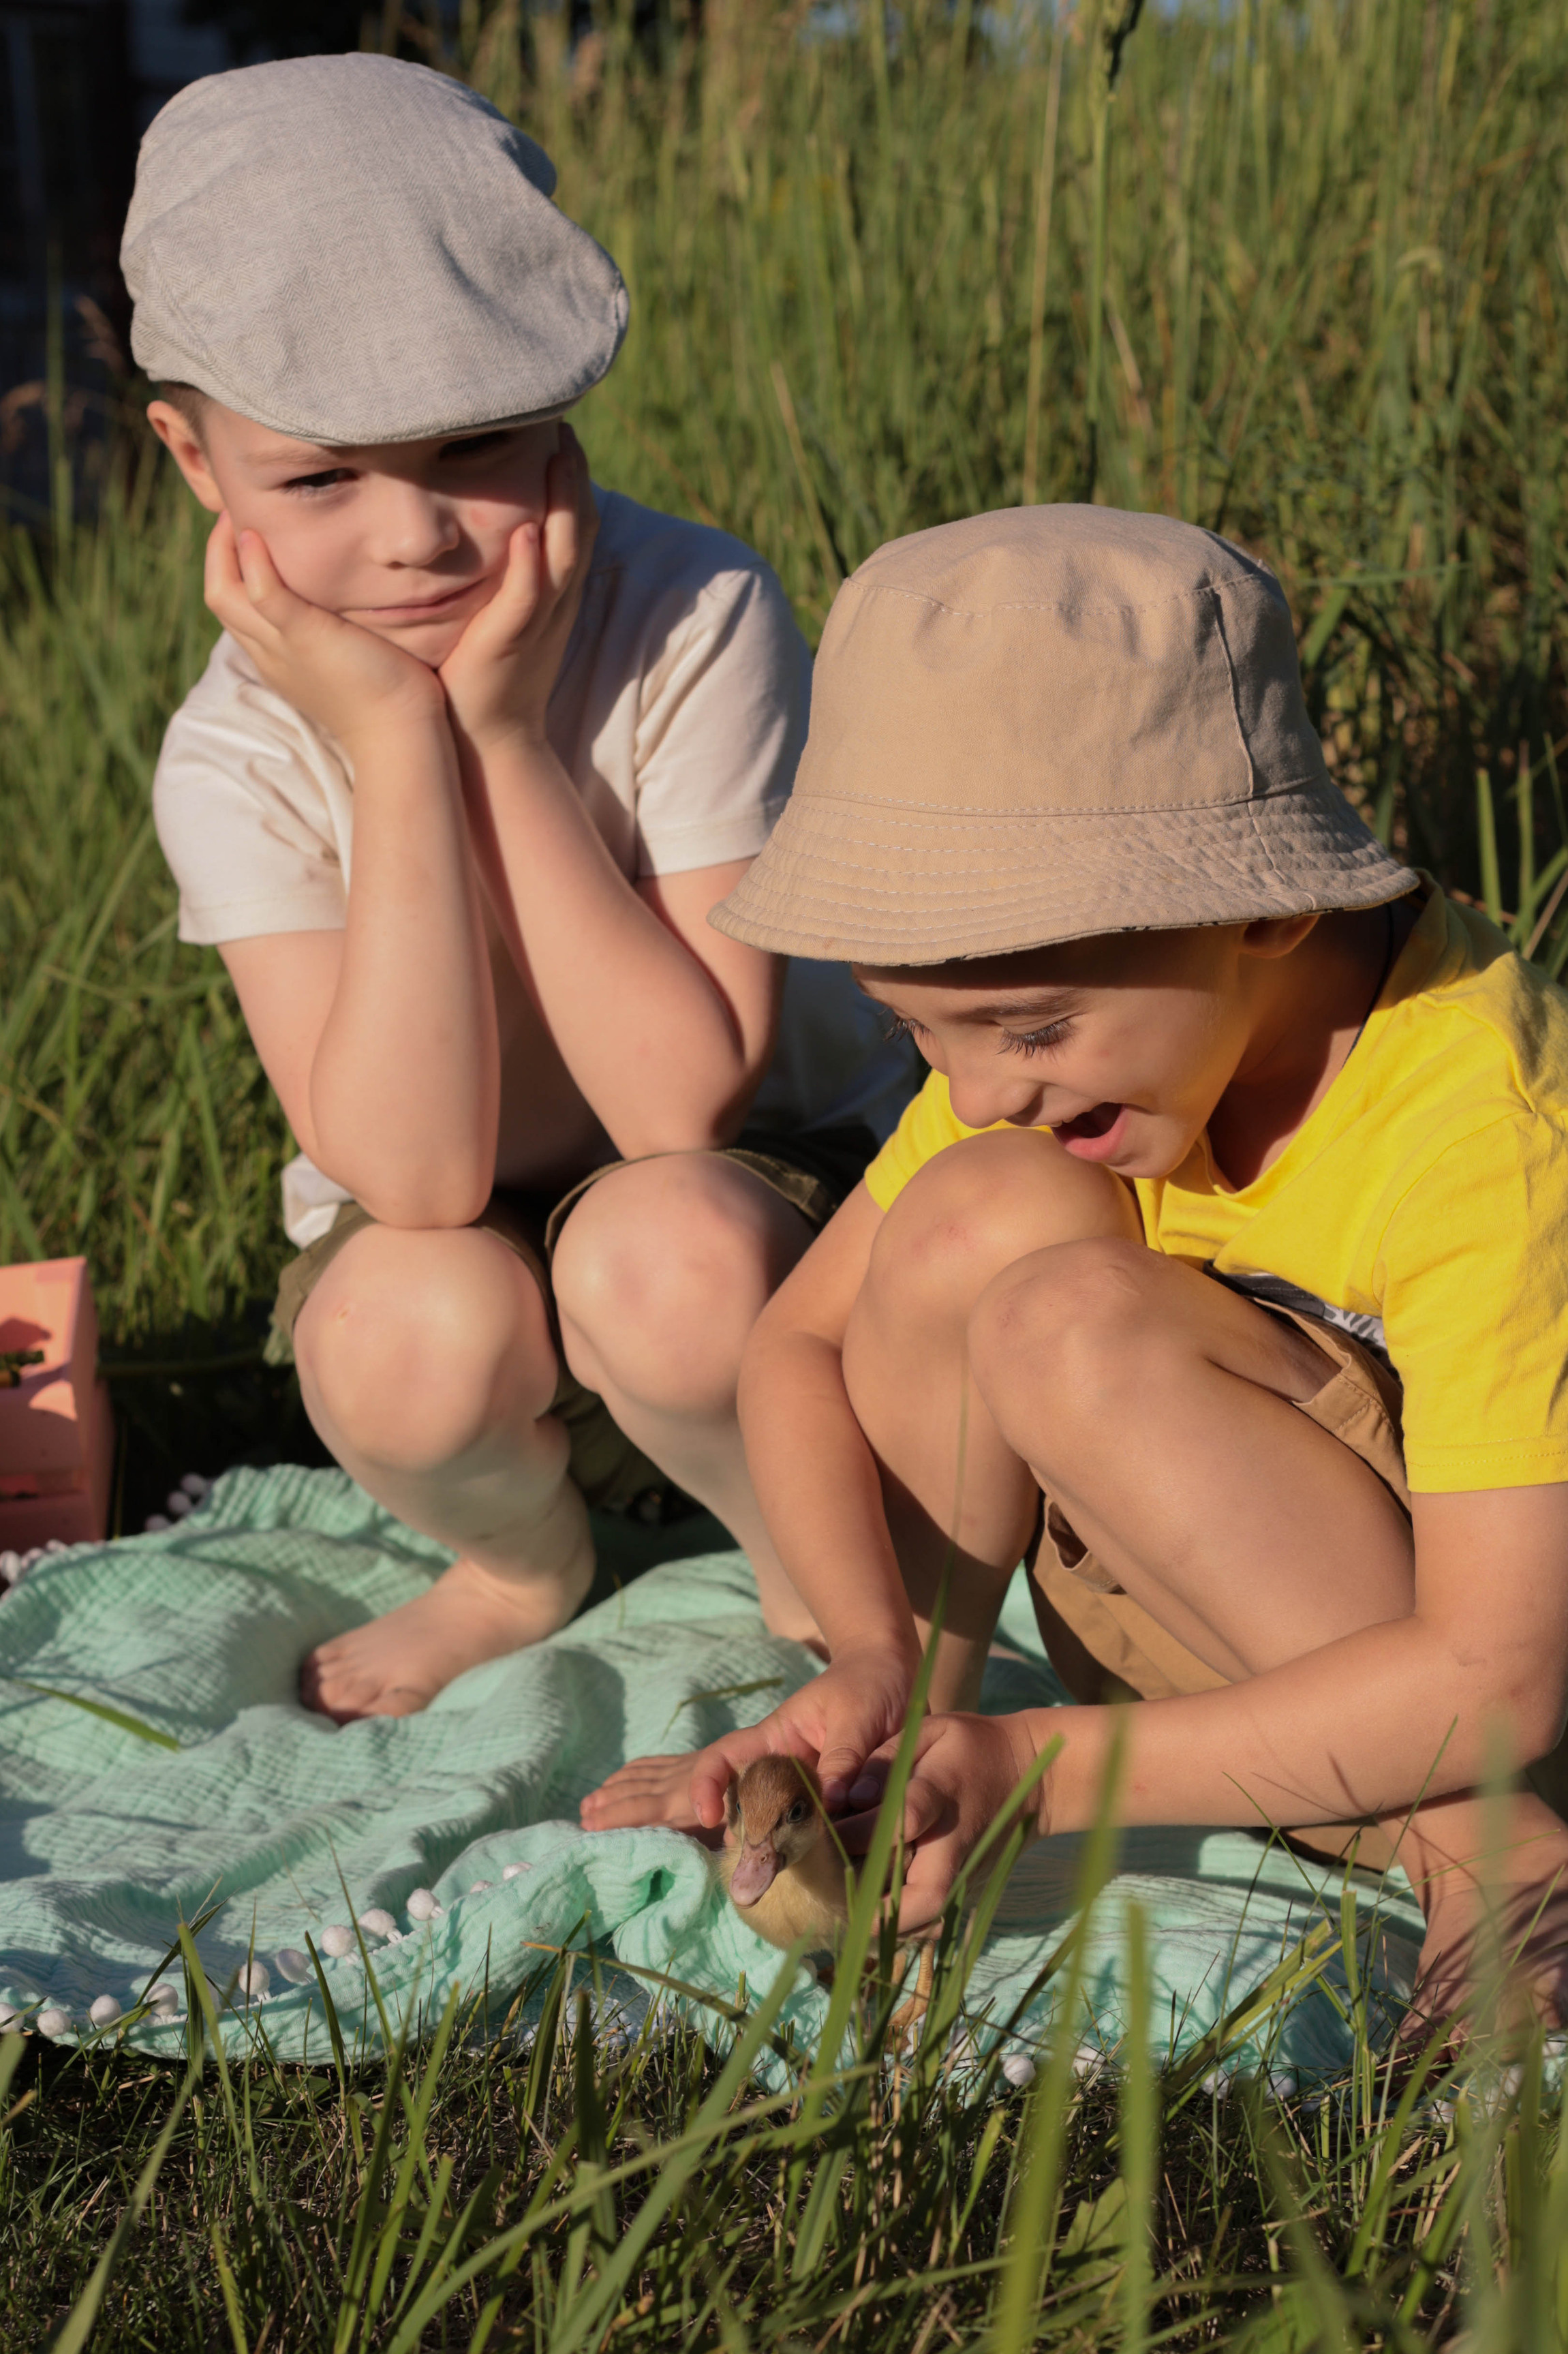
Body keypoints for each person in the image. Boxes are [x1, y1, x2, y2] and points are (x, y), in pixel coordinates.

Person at [585, 504, 1568, 2034]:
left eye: (1031, 1029)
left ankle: (1494, 1865)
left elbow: (1504, 1673)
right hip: (1225, 1685)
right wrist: (871, 1653)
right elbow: (794, 1345)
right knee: (983, 1210)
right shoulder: (1074, 1044)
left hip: (1494, 1701)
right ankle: (917, 1766)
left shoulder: (1477, 1125)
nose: (976, 1088)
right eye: (921, 1033)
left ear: (1263, 901)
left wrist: (1057, 1775)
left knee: (1063, 1318)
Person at [125, 55, 914, 1722]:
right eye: (321, 477)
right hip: (456, 1198)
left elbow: (680, 1099)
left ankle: (825, 1581)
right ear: (197, 466)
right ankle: (518, 1560)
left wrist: (504, 733)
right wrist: (405, 752)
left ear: (561, 411)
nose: (417, 539)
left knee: (666, 1257)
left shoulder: (686, 609)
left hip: (758, 1178)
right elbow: (408, 1173)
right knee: (392, 1329)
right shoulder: (239, 753)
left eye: (475, 444)